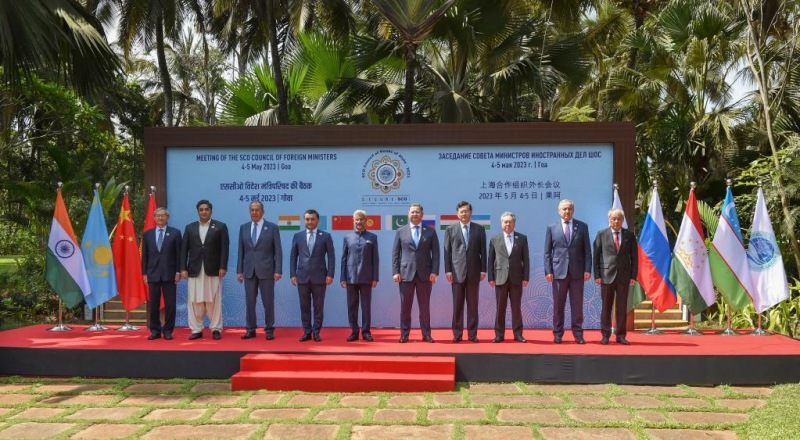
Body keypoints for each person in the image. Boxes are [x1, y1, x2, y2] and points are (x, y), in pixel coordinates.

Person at [180, 200, 230, 340]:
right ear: (198, 211)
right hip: (194, 269)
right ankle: (196, 329)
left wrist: (223, 266)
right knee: (195, 300)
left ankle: (215, 329)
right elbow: (184, 249)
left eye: (206, 209)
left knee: (213, 299)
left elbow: (224, 249)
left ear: (211, 211)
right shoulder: (190, 228)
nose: (204, 212)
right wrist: (183, 268)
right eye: (201, 209)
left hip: (213, 269)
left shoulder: (220, 226)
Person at [544, 199, 591, 344]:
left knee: (577, 305)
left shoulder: (582, 227)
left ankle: (578, 333)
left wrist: (587, 269)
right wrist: (548, 271)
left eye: (569, 209)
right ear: (559, 211)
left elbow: (587, 251)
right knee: (559, 305)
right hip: (558, 272)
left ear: (573, 210)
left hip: (577, 272)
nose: (567, 211)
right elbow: (547, 252)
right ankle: (558, 333)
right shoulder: (552, 227)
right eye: (564, 209)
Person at [393, 203, 439, 343]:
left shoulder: (430, 231)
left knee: (424, 307)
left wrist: (434, 272)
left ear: (422, 214)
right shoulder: (401, 231)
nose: (415, 214)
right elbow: (396, 253)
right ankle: (404, 334)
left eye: (417, 212)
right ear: (408, 214)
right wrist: (395, 272)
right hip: (406, 274)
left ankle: (426, 334)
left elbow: (436, 254)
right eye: (412, 212)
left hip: (425, 275)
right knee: (405, 306)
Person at [237, 201, 282, 340]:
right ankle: (250, 329)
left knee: (268, 301)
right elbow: (241, 251)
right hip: (249, 271)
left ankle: (269, 329)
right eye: (252, 210)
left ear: (263, 211)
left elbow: (278, 251)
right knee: (250, 301)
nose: (254, 212)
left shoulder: (272, 227)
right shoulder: (243, 228)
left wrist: (278, 270)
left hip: (267, 270)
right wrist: (239, 271)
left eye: (257, 210)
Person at [593, 208, 638, 345]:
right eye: (613, 218)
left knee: (622, 307)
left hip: (624, 277)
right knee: (606, 307)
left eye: (619, 219)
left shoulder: (629, 236)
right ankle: (605, 335)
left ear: (623, 220)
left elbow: (634, 257)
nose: (616, 221)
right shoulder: (601, 234)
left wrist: (633, 276)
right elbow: (596, 256)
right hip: (606, 276)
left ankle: (620, 335)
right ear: (609, 220)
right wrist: (597, 275)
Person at [444, 201, 487, 343]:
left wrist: (483, 270)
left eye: (466, 211)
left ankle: (472, 334)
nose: (464, 214)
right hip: (456, 273)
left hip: (474, 272)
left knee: (473, 305)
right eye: (461, 211)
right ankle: (457, 334)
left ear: (470, 213)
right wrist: (448, 271)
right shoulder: (450, 229)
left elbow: (483, 251)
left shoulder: (479, 229)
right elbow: (447, 252)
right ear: (457, 214)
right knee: (457, 305)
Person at [290, 209, 335, 342]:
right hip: (302, 277)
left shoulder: (325, 236)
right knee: (304, 306)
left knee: (318, 306)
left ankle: (316, 332)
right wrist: (293, 274)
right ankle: (306, 332)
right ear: (305, 220)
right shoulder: (298, 236)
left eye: (312, 219)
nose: (310, 222)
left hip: (320, 277)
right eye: (307, 219)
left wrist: (330, 274)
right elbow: (293, 256)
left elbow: (331, 257)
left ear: (318, 220)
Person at [488, 212, 530, 343]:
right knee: (500, 308)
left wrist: (526, 277)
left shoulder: (522, 238)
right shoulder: (495, 239)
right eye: (505, 222)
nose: (508, 224)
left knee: (516, 308)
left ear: (514, 223)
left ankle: (518, 334)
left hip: (516, 278)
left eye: (510, 221)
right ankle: (499, 334)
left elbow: (526, 260)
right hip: (500, 278)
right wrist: (491, 277)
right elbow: (491, 259)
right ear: (501, 223)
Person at [141, 207, 182, 340]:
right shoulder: (147, 234)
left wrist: (178, 272)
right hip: (152, 274)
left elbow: (179, 255)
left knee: (170, 304)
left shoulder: (175, 233)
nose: (160, 218)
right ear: (154, 218)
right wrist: (144, 273)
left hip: (170, 274)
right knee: (153, 304)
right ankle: (155, 330)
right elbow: (145, 256)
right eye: (158, 216)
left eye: (163, 216)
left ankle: (168, 330)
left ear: (167, 218)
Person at [340, 210, 379, 342]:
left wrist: (375, 277)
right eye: (357, 219)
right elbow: (344, 258)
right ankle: (354, 331)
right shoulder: (348, 237)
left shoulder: (372, 237)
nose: (359, 222)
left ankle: (366, 332)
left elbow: (375, 259)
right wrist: (342, 277)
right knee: (352, 305)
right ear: (353, 220)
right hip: (350, 277)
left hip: (367, 277)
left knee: (366, 306)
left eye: (361, 219)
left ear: (366, 220)